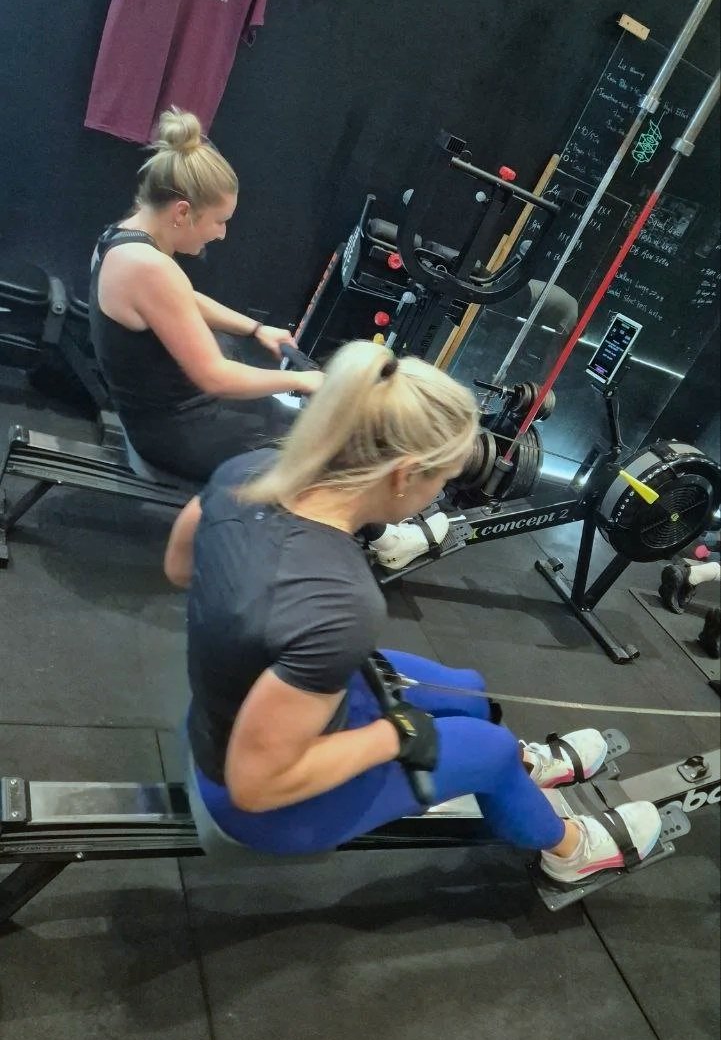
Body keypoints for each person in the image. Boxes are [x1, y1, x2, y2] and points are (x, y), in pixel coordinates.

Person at [163, 340, 662, 885]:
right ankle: (571, 851)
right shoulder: (341, 603)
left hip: (242, 715)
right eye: (441, 480)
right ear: (404, 475)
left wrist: (259, 638)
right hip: (261, 806)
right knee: (489, 750)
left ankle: (516, 770)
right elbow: (255, 783)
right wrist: (392, 736)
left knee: (460, 687)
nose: (441, 492)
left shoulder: (250, 470)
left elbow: (180, 567)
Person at [89, 106, 449, 569]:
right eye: (217, 221)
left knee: (301, 422)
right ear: (182, 212)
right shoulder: (149, 267)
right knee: (323, 446)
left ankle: (370, 526)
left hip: (174, 410)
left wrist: (255, 327)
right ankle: (386, 543)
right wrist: (300, 382)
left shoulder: (123, 239)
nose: (221, 234)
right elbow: (215, 376)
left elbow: (184, 299)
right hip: (174, 429)